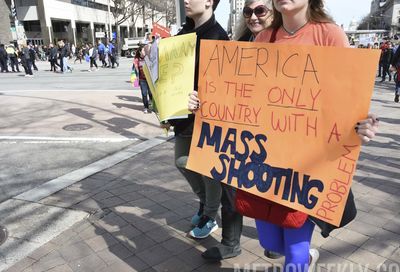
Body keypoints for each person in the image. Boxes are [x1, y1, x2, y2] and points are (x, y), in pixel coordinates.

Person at [189, 0, 379, 269]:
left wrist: (363, 123)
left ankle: (302, 259)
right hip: (267, 166)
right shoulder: (265, 38)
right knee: (271, 244)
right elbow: (240, 96)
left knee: (294, 255)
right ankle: (308, 256)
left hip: (308, 169)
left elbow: (349, 94)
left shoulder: (329, 34)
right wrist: (204, 101)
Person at [168, 0, 244, 261]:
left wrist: (202, 97)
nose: (186, 1)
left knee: (208, 169)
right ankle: (206, 205)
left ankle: (210, 214)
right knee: (181, 162)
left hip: (206, 118)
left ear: (210, 2)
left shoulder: (217, 36)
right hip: (182, 115)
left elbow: (224, 86)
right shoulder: (183, 33)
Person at [234, 1, 281, 260]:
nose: (253, 16)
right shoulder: (239, 43)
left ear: (274, 12)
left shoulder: (286, 43)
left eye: (260, 11)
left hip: (283, 131)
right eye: (248, 12)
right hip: (250, 137)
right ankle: (275, 240)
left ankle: (298, 251)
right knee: (259, 193)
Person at [134, 45, 153, 113]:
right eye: (143, 50)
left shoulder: (147, 58)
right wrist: (136, 79)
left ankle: (152, 104)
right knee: (144, 94)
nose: (144, 51)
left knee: (151, 93)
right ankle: (146, 107)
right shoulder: (137, 59)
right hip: (142, 80)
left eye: (145, 50)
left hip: (150, 79)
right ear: (140, 52)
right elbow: (135, 69)